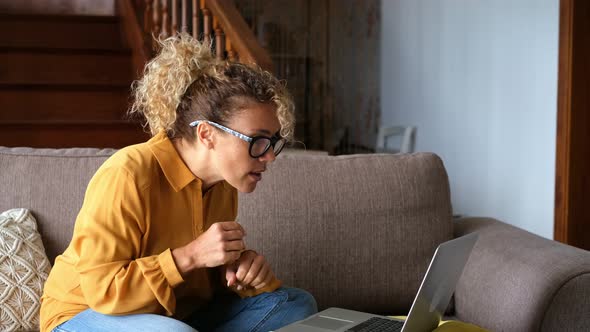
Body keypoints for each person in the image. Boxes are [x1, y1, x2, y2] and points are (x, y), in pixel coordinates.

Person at [40, 33, 317, 332]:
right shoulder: (128, 173)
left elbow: (206, 280)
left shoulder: (223, 185)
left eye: (274, 142)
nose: (270, 157)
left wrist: (241, 273)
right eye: (258, 141)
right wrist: (191, 255)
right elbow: (103, 290)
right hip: (83, 314)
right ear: (207, 135)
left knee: (297, 304)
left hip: (176, 317)